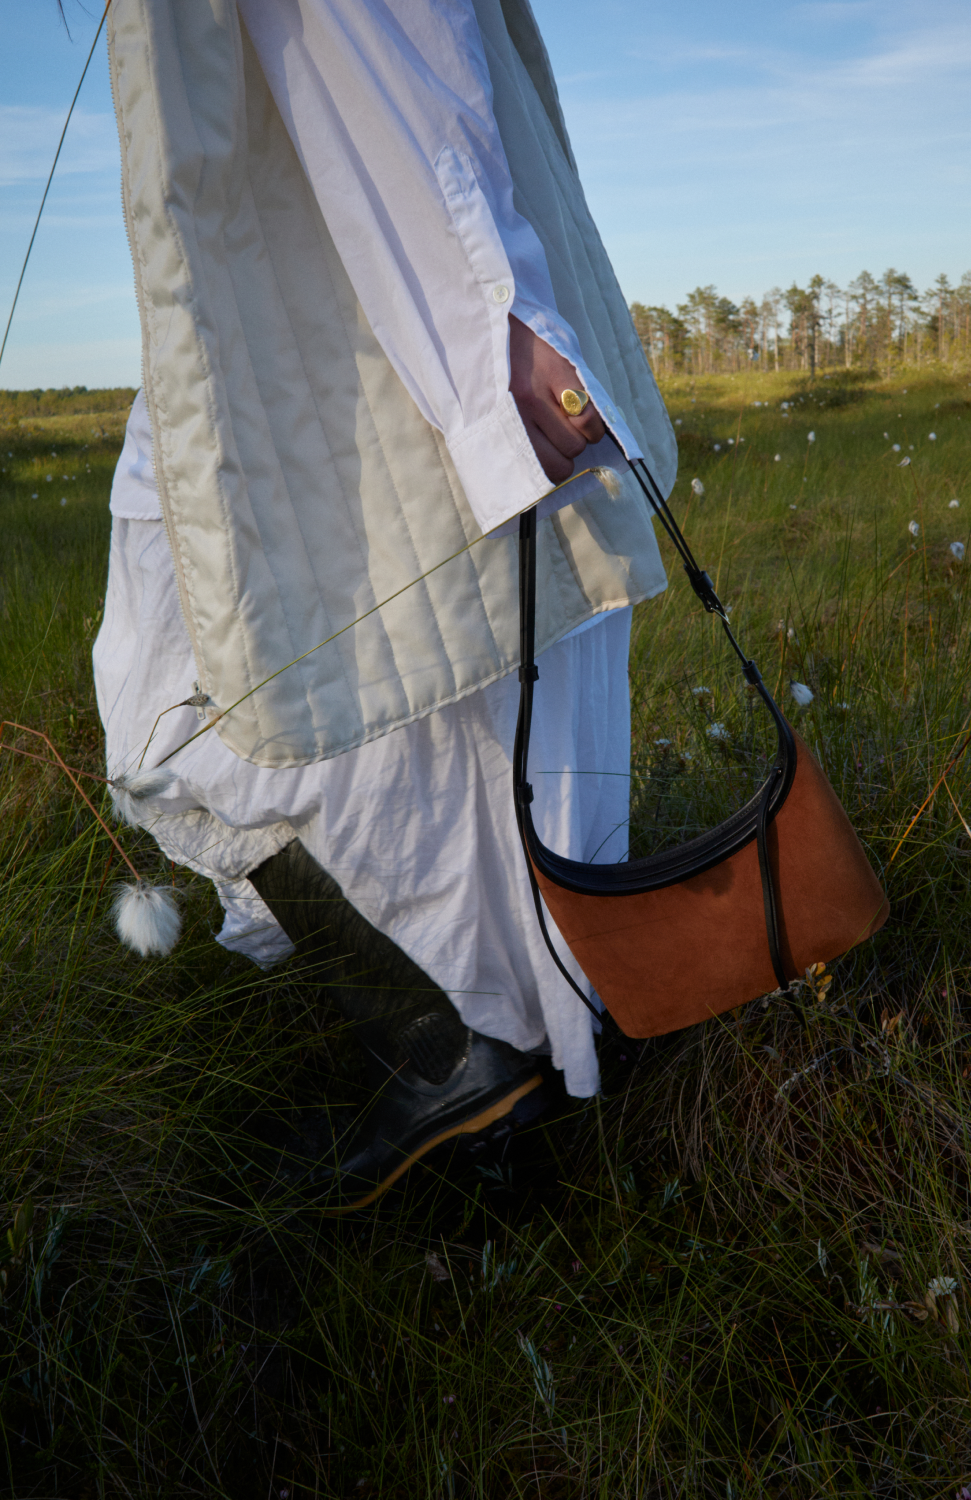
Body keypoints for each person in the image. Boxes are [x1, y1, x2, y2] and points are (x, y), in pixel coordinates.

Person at [95, 0, 676, 1207]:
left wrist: (493, 321)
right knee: (419, 669)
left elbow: (388, 30)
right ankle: (498, 1043)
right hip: (303, 295)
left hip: (368, 306)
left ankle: (460, 1055)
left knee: (188, 712)